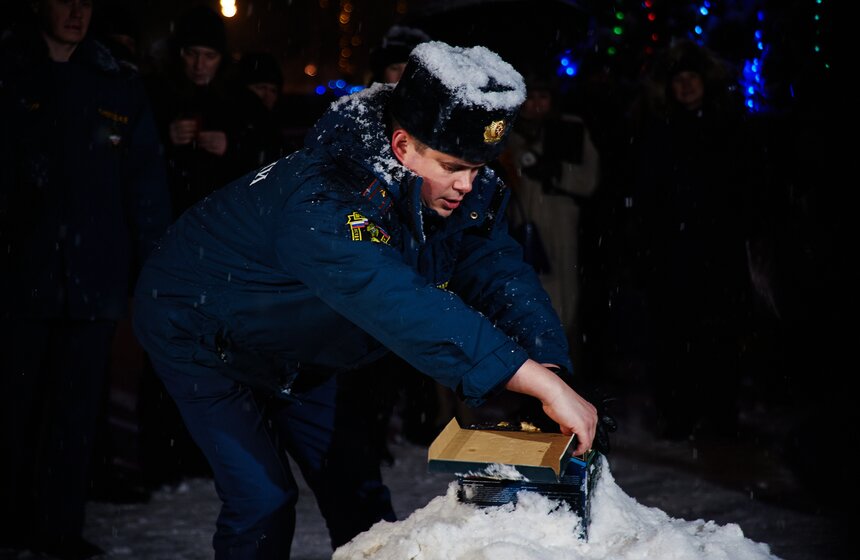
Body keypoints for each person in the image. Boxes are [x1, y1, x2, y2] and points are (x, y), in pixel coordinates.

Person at [132, 41, 598, 559]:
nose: (468, 183)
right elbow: (397, 299)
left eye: (480, 165)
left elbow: (496, 269)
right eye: (452, 165)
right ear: (402, 146)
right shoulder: (324, 198)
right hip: (202, 332)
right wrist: (524, 376)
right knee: (262, 499)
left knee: (358, 494)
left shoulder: (462, 185)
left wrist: (547, 361)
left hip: (305, 340)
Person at [0, 0, 171, 558]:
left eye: (86, 2)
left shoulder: (114, 81)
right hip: (22, 277)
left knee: (75, 413)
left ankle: (57, 528)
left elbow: (144, 185)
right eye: (63, 0)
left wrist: (151, 272)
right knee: (13, 408)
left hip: (93, 278)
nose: (77, 12)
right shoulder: (10, 71)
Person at [500, 74, 600, 357]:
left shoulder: (569, 130)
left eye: (543, 97)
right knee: (523, 303)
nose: (535, 105)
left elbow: (588, 180)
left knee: (563, 302)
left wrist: (555, 173)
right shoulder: (506, 134)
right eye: (530, 98)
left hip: (560, 228)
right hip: (519, 229)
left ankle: (563, 373)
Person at [145, 4, 238, 218]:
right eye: (192, 54)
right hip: (168, 213)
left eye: (209, 56)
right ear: (179, 53)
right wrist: (164, 137)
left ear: (221, 58)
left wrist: (231, 145)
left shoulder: (236, 99)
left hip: (219, 217)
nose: (199, 65)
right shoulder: (156, 92)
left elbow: (262, 155)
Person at [231, 51, 290, 176]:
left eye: (273, 90)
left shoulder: (276, 130)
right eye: (261, 88)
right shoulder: (230, 125)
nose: (267, 96)